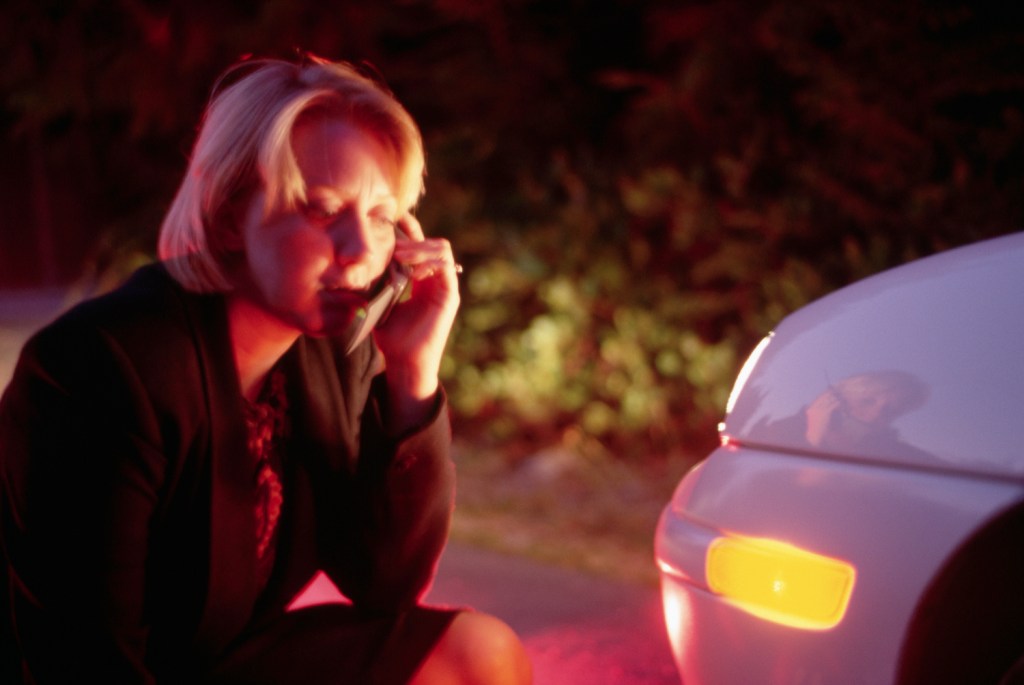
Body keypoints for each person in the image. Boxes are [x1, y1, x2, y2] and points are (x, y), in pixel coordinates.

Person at [0, 54, 531, 685]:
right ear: (228, 217)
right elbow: (81, 658)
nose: (363, 249)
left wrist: (412, 374)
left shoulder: (334, 349)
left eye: (384, 217)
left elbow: (385, 582)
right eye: (322, 209)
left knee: (479, 655)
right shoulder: (101, 368)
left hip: (217, 662)